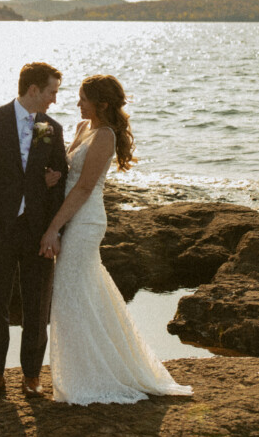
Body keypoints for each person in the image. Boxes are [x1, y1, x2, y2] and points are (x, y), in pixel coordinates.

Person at [38, 74, 192, 405]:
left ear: (102, 103)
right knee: (82, 294)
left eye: (83, 98)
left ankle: (92, 377)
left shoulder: (105, 136)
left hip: (84, 220)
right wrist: (53, 176)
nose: (78, 103)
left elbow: (83, 188)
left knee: (71, 295)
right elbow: (69, 176)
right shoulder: (82, 128)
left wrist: (53, 228)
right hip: (70, 215)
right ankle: (93, 367)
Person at [0, 62, 68, 400]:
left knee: (36, 308)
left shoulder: (49, 127)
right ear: (33, 90)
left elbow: (59, 172)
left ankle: (32, 377)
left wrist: (54, 180)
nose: (54, 99)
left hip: (37, 231)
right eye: (51, 91)